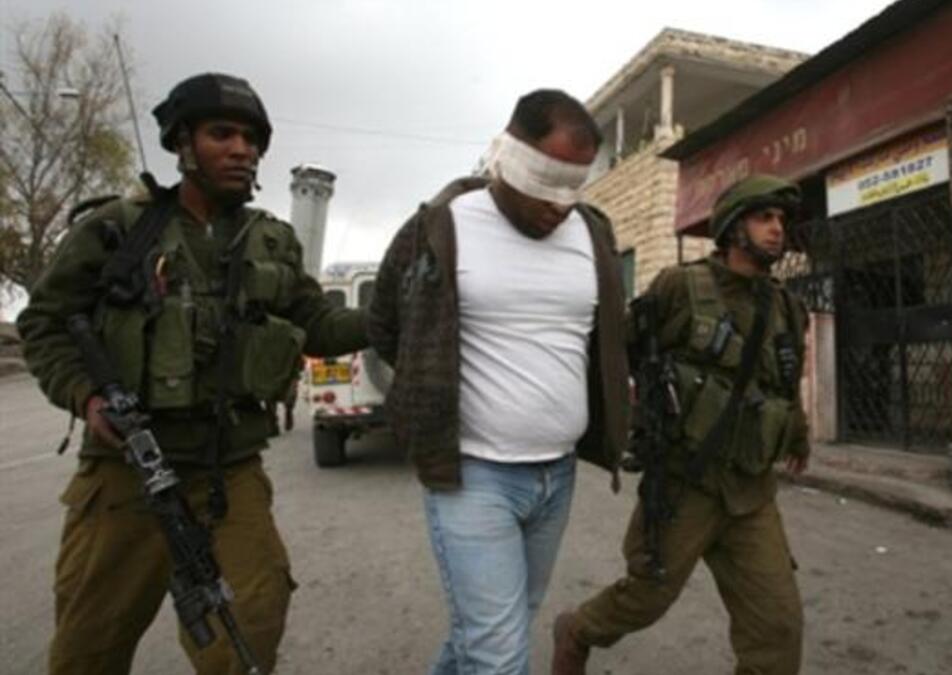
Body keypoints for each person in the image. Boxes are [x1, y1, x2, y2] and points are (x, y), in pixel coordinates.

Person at [17, 72, 368, 674]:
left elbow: (320, 327)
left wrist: (393, 314)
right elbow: (44, 323)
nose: (241, 150)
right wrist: (87, 398)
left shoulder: (272, 242)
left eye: (252, 140)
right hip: (125, 471)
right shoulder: (116, 231)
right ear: (183, 145)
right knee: (88, 648)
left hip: (227, 471)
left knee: (250, 626)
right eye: (222, 134)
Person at [367, 89, 629, 675]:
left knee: (492, 632)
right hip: (472, 476)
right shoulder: (440, 226)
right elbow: (387, 326)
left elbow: (605, 339)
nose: (559, 203)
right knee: (499, 651)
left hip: (555, 476)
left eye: (574, 185)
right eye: (546, 181)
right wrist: (433, 385)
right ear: (508, 154)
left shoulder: (593, 233)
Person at [552, 175, 812, 675]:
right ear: (734, 228)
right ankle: (578, 630)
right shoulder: (680, 288)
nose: (777, 230)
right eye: (764, 218)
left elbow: (784, 382)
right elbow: (616, 352)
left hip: (751, 492)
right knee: (646, 598)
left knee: (779, 628)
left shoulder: (786, 307)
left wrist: (797, 434)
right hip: (683, 484)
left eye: (781, 220)